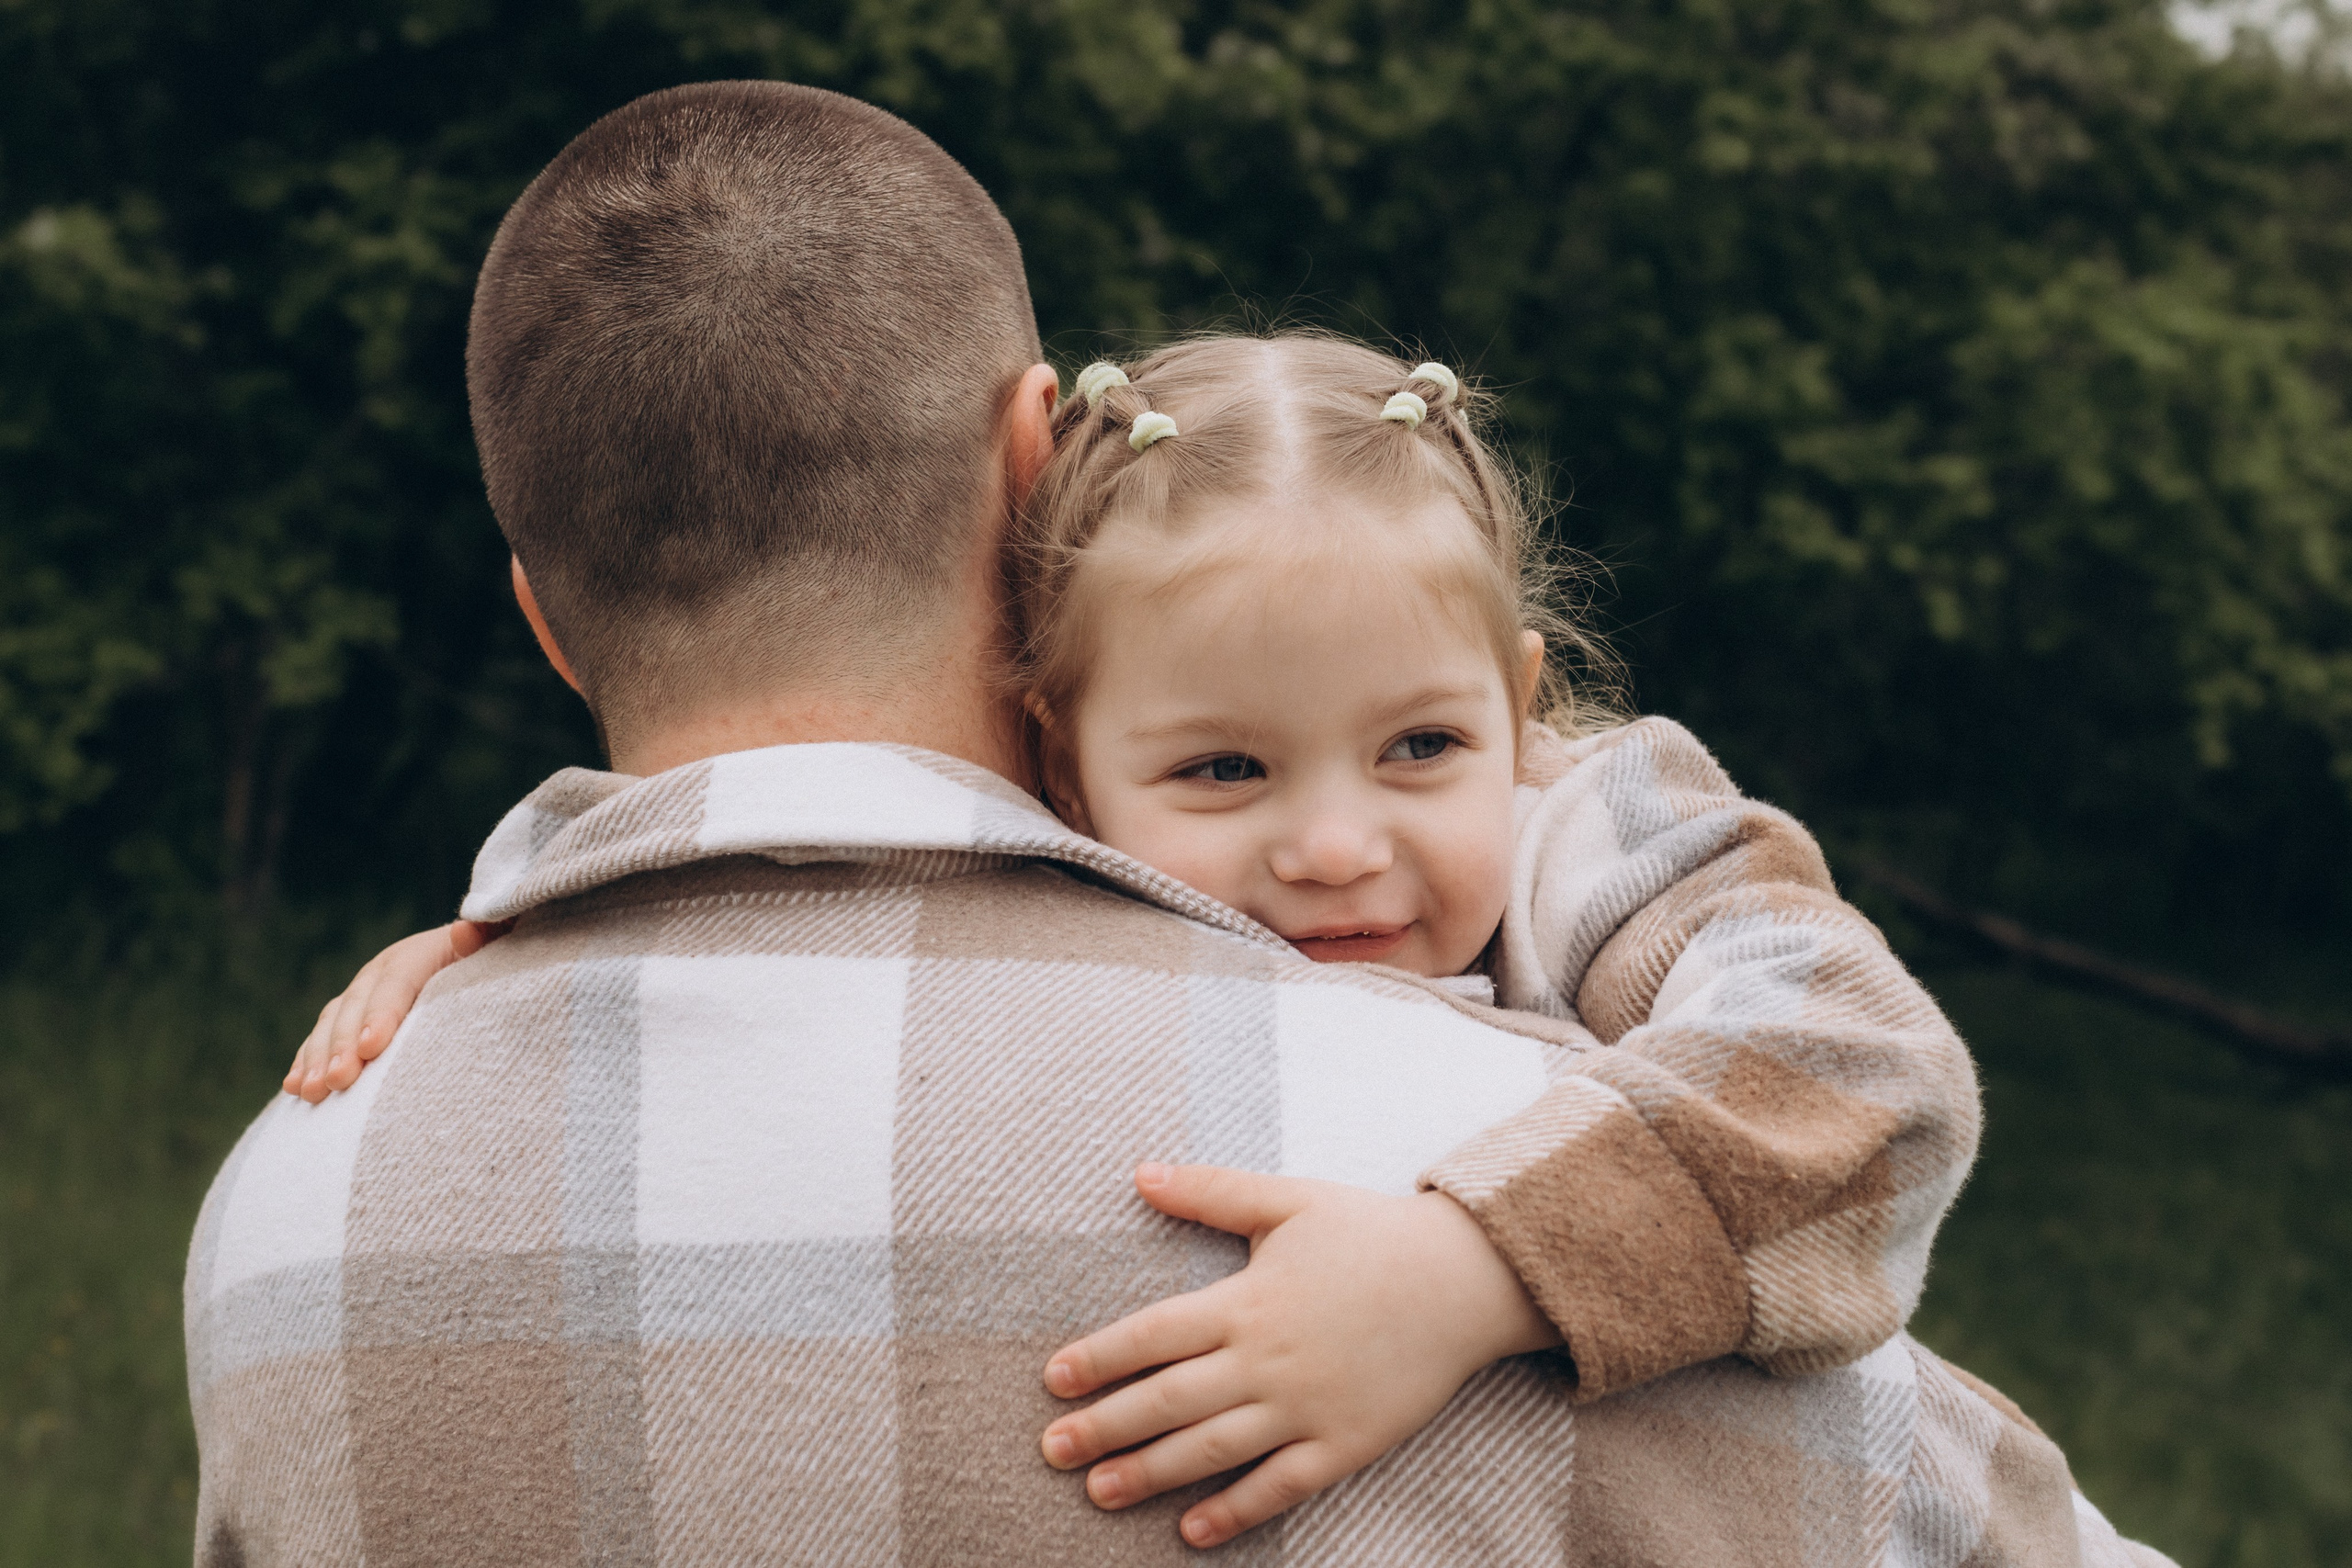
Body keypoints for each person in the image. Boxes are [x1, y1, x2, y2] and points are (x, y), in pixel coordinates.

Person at [191, 80, 2167, 1566]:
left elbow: (1853, 1072)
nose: (1336, 848)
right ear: (1033, 484)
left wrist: (487, 932)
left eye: (1419, 748)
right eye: (1226, 769)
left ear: (540, 619)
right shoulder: (1437, 1141)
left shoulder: (284, 1212)